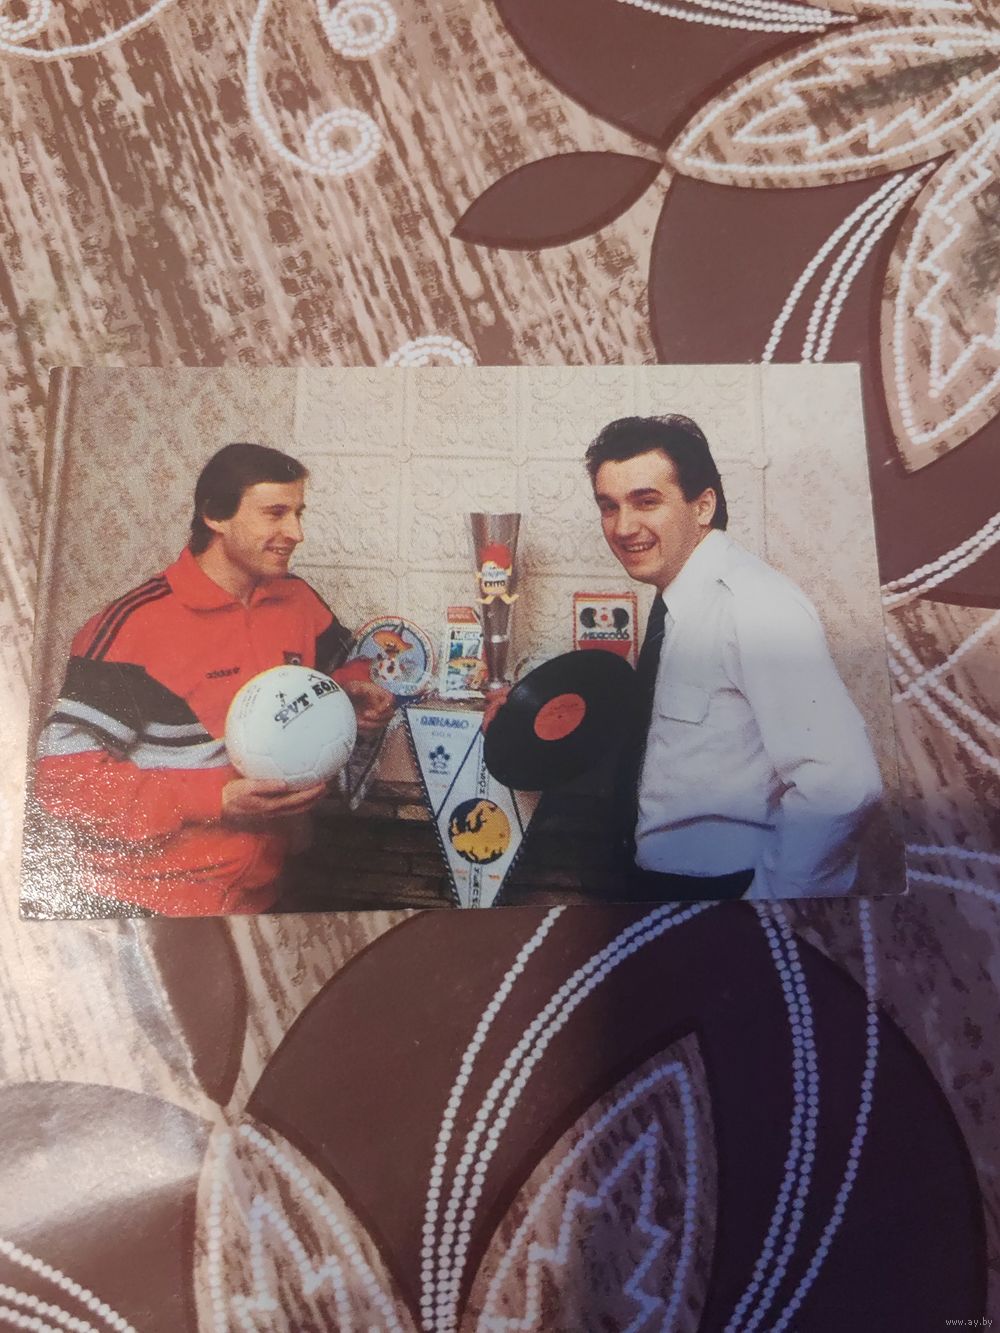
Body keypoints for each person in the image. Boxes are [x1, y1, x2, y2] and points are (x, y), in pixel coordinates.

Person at [32, 442, 394, 916]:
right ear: (215, 516)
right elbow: (63, 782)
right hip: (143, 903)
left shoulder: (297, 601)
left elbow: (343, 666)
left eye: (298, 513)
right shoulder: (134, 626)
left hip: (259, 898)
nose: (296, 533)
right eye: (275, 513)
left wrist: (349, 691)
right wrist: (214, 800)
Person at [586, 414, 883, 902]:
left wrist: (764, 905)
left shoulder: (755, 604)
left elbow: (842, 784)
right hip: (658, 885)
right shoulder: (678, 599)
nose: (623, 527)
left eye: (646, 501)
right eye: (608, 506)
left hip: (724, 893)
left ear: (703, 506)